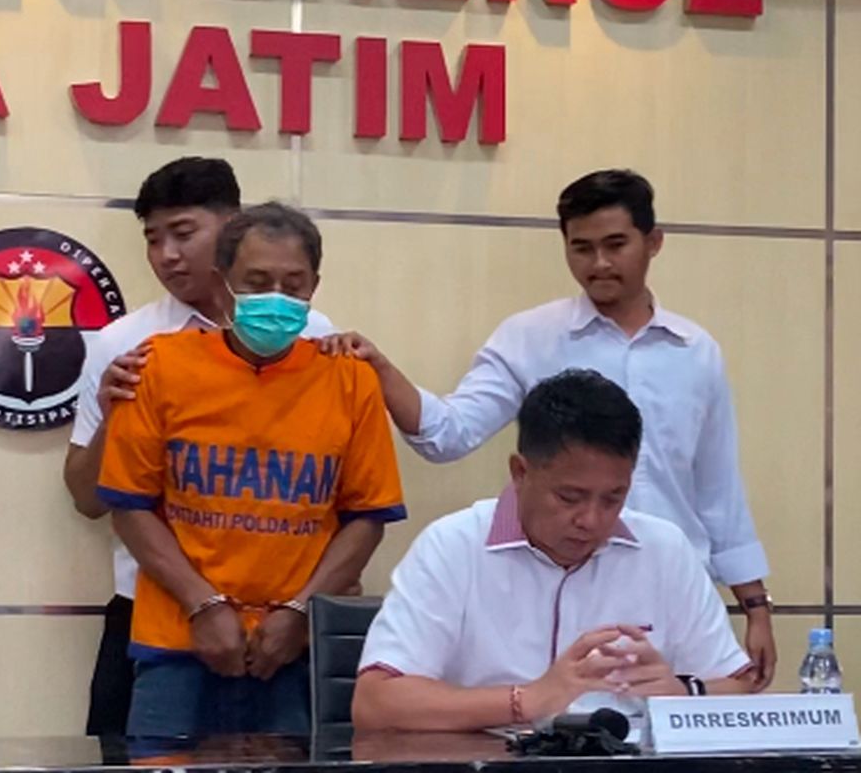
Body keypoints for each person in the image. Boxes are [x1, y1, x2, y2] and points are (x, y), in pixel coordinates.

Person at [326, 169, 775, 689]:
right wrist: (380, 369)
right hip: (546, 583)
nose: (599, 263)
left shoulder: (696, 351)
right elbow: (449, 432)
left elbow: (719, 490)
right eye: (581, 248)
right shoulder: (530, 337)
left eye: (615, 245)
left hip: (665, 591)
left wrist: (755, 606)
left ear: (653, 242)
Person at [98, 202, 406, 737]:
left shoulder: (350, 379)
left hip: (294, 652)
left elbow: (367, 516)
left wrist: (299, 612)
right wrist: (203, 605)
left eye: (294, 285)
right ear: (223, 282)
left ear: (314, 287)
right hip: (176, 645)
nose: (277, 298)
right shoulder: (156, 366)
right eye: (258, 283)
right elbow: (129, 507)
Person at [64, 157, 333, 735]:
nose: (167, 255)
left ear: (233, 228)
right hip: (150, 613)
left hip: (282, 627)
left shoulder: (314, 335)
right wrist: (114, 414)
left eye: (183, 233)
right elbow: (87, 499)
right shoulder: (125, 343)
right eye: (152, 239)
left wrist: (302, 607)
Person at [352, 370, 753, 732]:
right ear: (520, 472)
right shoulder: (452, 547)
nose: (591, 520)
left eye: (613, 498)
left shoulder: (665, 550)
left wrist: (683, 694)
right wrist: (527, 700)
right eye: (570, 497)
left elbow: (738, 686)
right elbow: (376, 702)